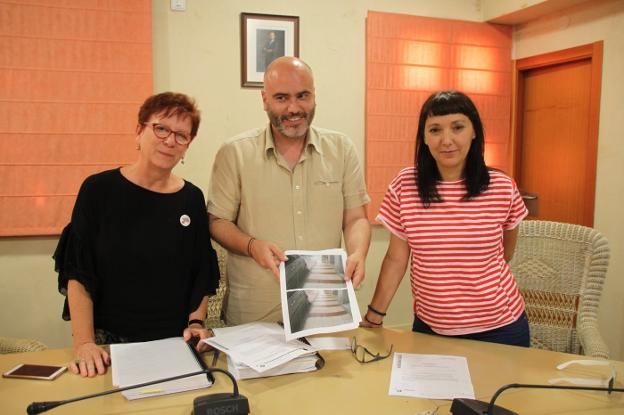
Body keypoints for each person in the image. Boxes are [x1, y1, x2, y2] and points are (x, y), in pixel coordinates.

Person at [54, 92, 220, 377]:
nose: (170, 141)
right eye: (161, 128)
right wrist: (84, 343)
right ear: (139, 131)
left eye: (182, 135)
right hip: (109, 346)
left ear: (187, 145)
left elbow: (200, 271)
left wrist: (195, 325)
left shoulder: (191, 198)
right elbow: (78, 273)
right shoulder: (97, 191)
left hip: (173, 344)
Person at [208, 56, 371, 325]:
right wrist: (252, 246)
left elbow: (356, 218)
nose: (293, 108)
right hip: (254, 312)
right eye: (281, 98)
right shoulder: (235, 152)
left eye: (302, 95)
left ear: (314, 95)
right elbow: (216, 222)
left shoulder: (341, 149)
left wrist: (357, 254)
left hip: (323, 307)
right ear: (264, 100)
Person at [362, 90, 530, 347]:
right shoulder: (405, 185)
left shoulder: (501, 186)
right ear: (424, 138)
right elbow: (396, 259)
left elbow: (506, 252)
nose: (447, 140)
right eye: (435, 130)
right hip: (431, 325)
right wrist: (375, 314)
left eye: (458, 127)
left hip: (501, 326)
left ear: (474, 131)